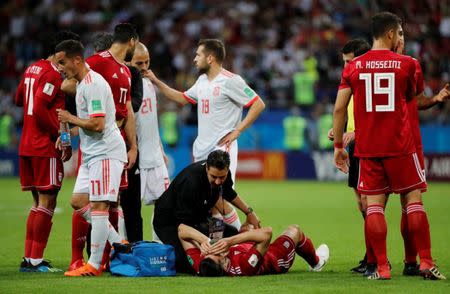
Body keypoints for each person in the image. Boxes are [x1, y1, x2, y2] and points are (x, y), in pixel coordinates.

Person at [333, 11, 446, 280]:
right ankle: (426, 262)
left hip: (369, 149)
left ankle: (382, 268)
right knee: (413, 202)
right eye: (399, 32)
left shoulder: (353, 67)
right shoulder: (409, 64)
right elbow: (412, 100)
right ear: (391, 34)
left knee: (373, 207)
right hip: (401, 147)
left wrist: (338, 145)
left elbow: (339, 109)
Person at [146, 39, 266, 231]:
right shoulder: (202, 81)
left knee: (220, 197)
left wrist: (238, 130)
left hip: (220, 148)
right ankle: (224, 243)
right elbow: (182, 98)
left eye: (198, 55)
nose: (194, 59)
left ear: (210, 58)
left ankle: (237, 241)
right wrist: (156, 81)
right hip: (201, 149)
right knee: (209, 203)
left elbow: (258, 103)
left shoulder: (231, 80)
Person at [68, 24, 139, 270]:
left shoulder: (126, 71)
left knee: (111, 200)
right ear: (132, 41)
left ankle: (105, 259)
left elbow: (128, 110)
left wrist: (134, 146)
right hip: (96, 137)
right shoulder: (98, 63)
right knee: (83, 200)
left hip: (110, 138)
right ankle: (92, 252)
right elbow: (72, 81)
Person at [54, 39, 127, 277]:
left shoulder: (94, 84)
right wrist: (69, 128)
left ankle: (94, 265)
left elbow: (97, 124)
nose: (60, 68)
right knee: (78, 201)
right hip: (92, 154)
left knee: (99, 207)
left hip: (105, 152)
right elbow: (89, 123)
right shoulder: (83, 84)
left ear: (77, 60)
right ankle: (120, 244)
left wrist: (69, 117)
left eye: (63, 62)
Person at [15, 31, 78, 273]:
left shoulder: (33, 68)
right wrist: (60, 138)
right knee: (48, 201)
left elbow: (20, 98)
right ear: (60, 54)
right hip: (44, 146)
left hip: (27, 145)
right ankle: (35, 261)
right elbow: (41, 105)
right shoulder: (52, 74)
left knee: (38, 203)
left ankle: (29, 258)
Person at [153, 150, 260, 273]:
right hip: (170, 223)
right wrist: (204, 246)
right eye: (214, 177)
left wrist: (249, 212)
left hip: (198, 219)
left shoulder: (223, 171)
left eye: (222, 177)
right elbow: (183, 227)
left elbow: (229, 193)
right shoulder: (191, 183)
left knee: (232, 233)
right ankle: (156, 244)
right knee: (194, 265)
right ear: (207, 168)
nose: (218, 181)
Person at [328, 39, 371, 274]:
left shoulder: (368, 82)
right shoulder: (353, 82)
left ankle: (375, 257)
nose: (346, 67)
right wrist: (340, 131)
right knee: (361, 203)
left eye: (349, 61)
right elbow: (345, 112)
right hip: (354, 145)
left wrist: (355, 133)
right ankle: (371, 255)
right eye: (344, 62)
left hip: (367, 145)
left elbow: (378, 117)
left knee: (369, 203)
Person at [178, 223, 329, 277]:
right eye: (216, 254)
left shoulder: (201, 265)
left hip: (247, 247)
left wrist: (203, 241)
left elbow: (181, 230)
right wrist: (229, 241)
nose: (213, 250)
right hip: (275, 257)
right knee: (294, 230)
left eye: (209, 253)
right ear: (224, 264)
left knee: (247, 227)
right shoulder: (245, 266)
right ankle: (316, 262)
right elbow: (267, 233)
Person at [130, 42, 169, 241]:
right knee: (127, 208)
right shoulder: (125, 86)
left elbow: (151, 121)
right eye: (139, 63)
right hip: (135, 157)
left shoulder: (149, 83)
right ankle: (122, 249)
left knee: (164, 205)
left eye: (147, 62)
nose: (145, 67)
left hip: (154, 157)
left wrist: (160, 149)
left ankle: (159, 247)